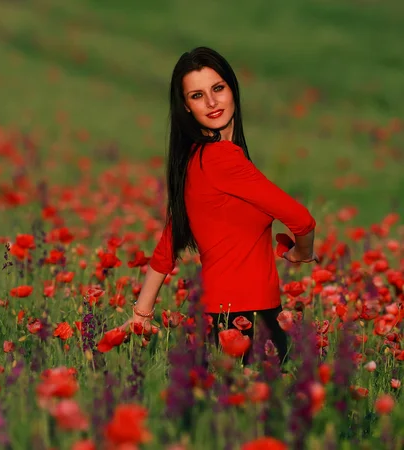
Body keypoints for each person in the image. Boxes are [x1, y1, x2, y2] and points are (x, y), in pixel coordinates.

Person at [120, 47, 319, 366]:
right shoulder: (222, 159)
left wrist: (141, 314)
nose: (212, 102)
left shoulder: (193, 160)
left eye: (217, 88)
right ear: (186, 106)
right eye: (198, 95)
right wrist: (302, 253)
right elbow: (302, 221)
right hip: (250, 320)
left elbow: (168, 244)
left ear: (231, 88)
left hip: (217, 320)